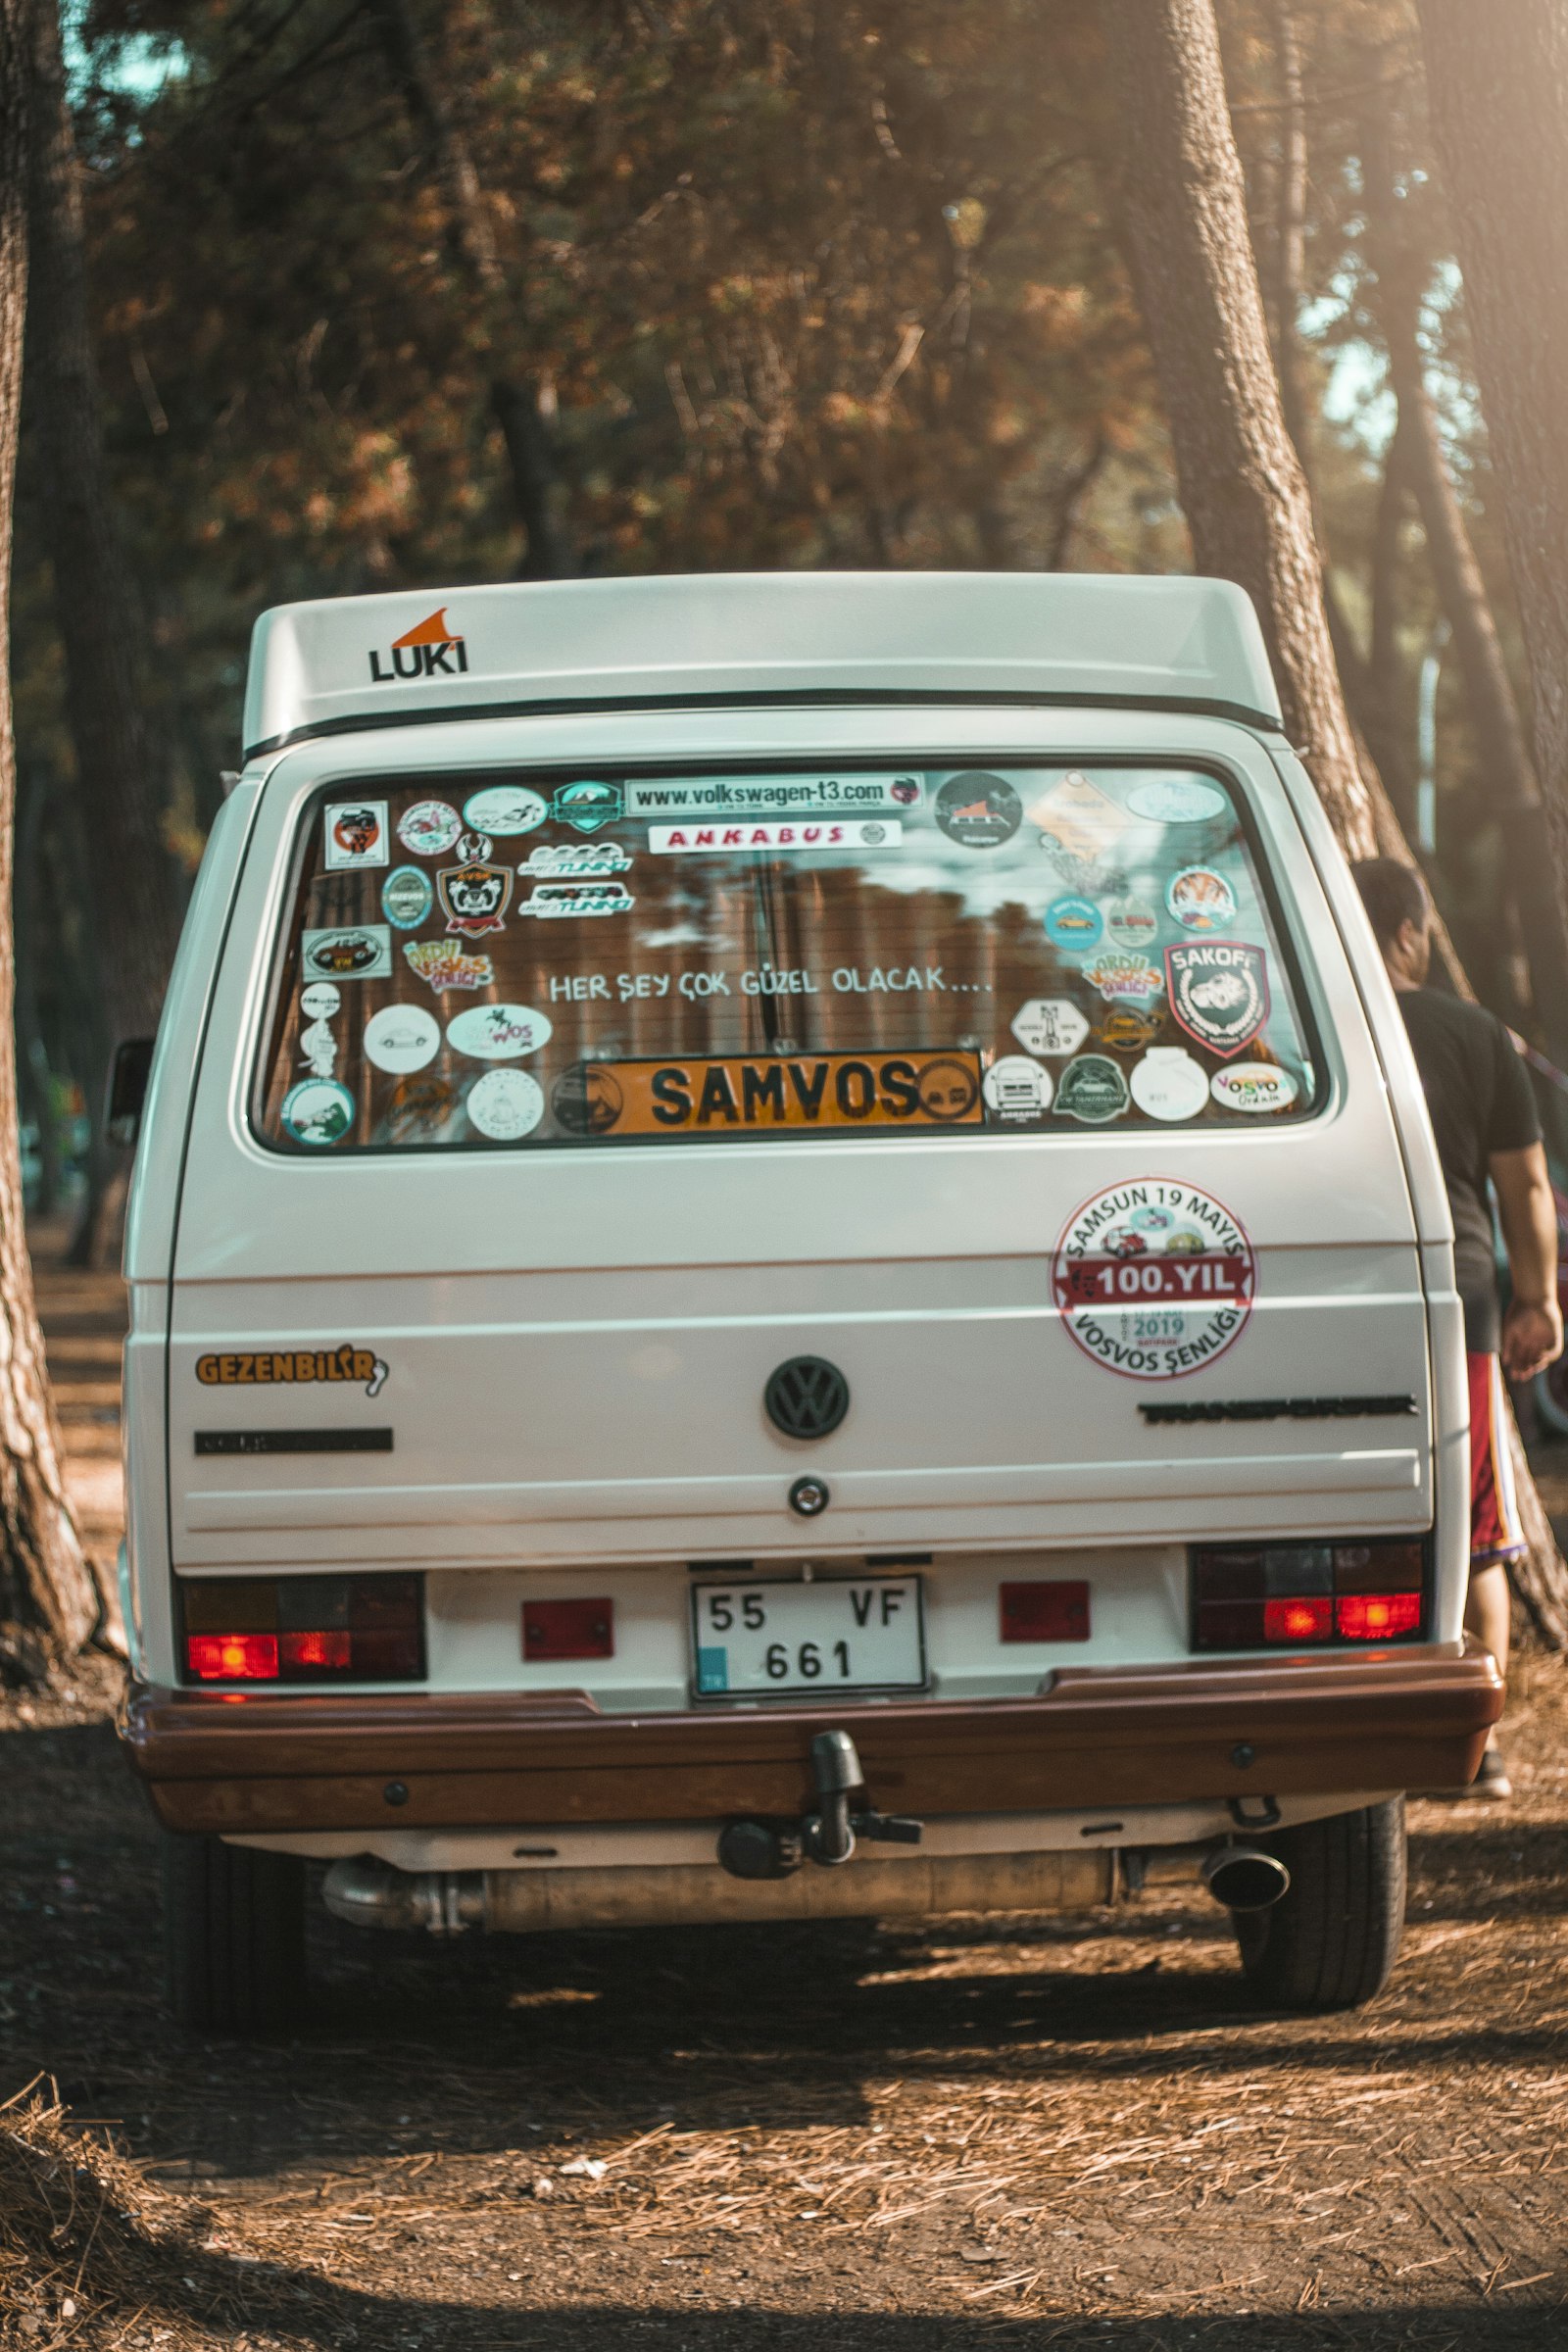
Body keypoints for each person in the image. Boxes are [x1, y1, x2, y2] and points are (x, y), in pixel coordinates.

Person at [1353, 859, 1562, 1799]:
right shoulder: (1474, 1031)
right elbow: (1523, 1183)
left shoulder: (1310, 1028)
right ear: (1407, 932)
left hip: (1339, 1301)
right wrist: (1540, 1298)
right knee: (1475, 1527)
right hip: (1461, 1300)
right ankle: (1477, 1749)